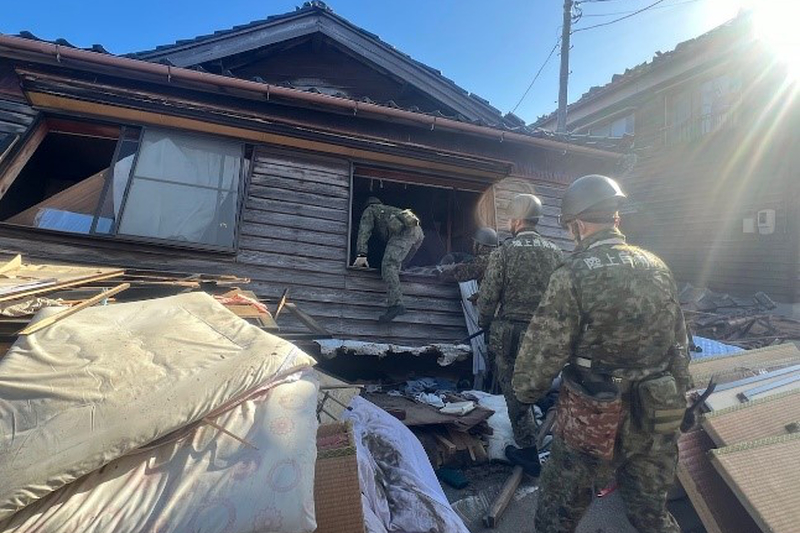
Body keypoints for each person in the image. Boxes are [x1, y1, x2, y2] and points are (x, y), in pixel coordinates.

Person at [512, 175, 692, 533]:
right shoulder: (659, 267)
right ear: (616, 219)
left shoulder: (572, 274)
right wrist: (680, 396)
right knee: (652, 516)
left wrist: (524, 393)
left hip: (590, 418)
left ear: (578, 225)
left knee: (555, 518)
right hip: (655, 413)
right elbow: (680, 345)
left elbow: (542, 352)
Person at [476, 194, 563, 475]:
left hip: (511, 336)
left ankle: (526, 451)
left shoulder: (504, 252)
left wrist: (484, 322)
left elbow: (488, 298)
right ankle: (539, 435)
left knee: (514, 393)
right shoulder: (556, 252)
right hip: (544, 335)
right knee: (536, 387)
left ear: (515, 220)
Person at [353, 196, 424, 322]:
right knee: (396, 266)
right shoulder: (389, 210)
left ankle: (396, 304)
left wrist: (361, 254)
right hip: (419, 233)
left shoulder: (370, 210)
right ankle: (397, 295)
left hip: (404, 232)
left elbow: (364, 232)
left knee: (388, 265)